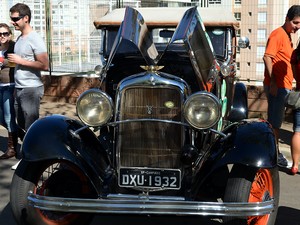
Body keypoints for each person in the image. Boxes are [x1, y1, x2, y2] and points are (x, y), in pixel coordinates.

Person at [6, 3, 49, 166]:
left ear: (26, 18)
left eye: (15, 19)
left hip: (31, 88)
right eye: (11, 19)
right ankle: (39, 147)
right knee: (22, 123)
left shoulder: (35, 38)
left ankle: (30, 160)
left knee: (30, 124)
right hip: (19, 87)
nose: (13, 22)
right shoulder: (19, 38)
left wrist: (20, 61)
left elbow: (44, 65)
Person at [263, 5, 300, 167]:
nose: (298, 27)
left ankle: (274, 154)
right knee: (275, 124)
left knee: (276, 122)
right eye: (295, 22)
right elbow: (267, 57)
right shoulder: (277, 34)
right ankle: (274, 156)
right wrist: (273, 82)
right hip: (277, 86)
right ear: (286, 19)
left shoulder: (287, 35)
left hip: (283, 86)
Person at [0, 23, 18, 159]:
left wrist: (3, 62)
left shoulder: (14, 46)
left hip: (9, 85)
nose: (2, 36)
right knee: (2, 118)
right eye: (0, 34)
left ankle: (12, 148)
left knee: (8, 116)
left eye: (5, 33)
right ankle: (19, 132)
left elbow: (15, 63)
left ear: (9, 34)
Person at [290, 42, 300, 175]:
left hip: (299, 94)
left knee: (298, 131)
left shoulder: (296, 54)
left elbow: (295, 76)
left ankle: (295, 165)